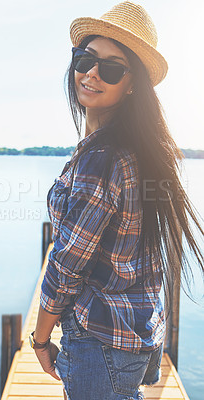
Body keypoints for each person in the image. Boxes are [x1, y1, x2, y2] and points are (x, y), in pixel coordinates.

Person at [29, 2, 204, 399]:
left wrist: (40, 340)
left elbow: (66, 265)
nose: (91, 73)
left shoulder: (103, 158)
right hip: (138, 330)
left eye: (111, 67)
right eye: (85, 58)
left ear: (132, 84)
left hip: (100, 341)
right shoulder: (140, 150)